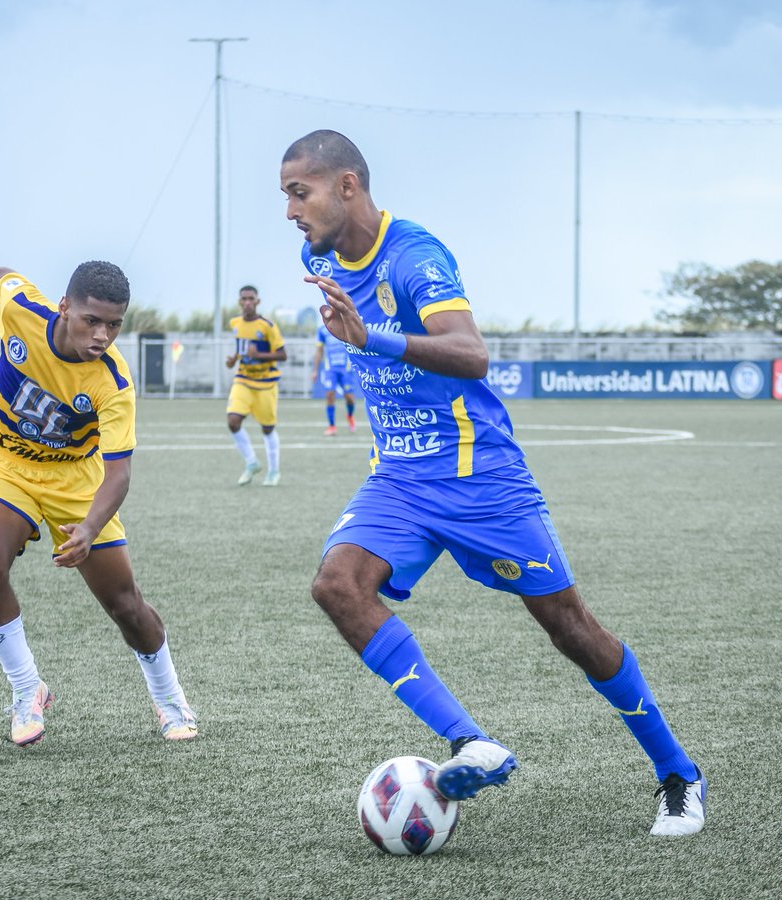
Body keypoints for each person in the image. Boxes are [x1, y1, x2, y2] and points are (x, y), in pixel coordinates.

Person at [281, 130, 706, 837]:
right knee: (337, 584)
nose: (292, 212)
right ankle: (467, 743)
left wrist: (374, 338)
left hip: (482, 477)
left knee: (572, 630)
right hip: (401, 479)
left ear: (348, 185)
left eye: (301, 193)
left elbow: (472, 355)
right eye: (287, 197)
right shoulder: (316, 256)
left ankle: (679, 775)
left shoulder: (415, 255)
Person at [0, 262, 196, 746]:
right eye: (91, 321)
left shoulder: (113, 382)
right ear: (65, 307)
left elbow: (119, 473)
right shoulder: (22, 313)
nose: (102, 335)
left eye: (114, 324)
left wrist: (87, 528)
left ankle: (169, 698)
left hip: (77, 483)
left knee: (125, 605)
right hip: (5, 463)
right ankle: (26, 690)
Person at [226, 284, 287, 486]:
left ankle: (274, 471)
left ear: (258, 301)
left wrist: (259, 355)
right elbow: (241, 348)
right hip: (243, 380)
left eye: (251, 299)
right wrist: (233, 360)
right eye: (244, 299)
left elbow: (282, 354)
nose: (247, 303)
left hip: (266, 384)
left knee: (268, 429)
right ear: (239, 302)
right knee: (233, 421)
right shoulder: (234, 323)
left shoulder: (267, 326)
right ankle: (251, 462)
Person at [312, 321, 357, 436]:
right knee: (329, 395)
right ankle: (332, 426)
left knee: (350, 398)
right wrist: (315, 370)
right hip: (330, 369)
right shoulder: (322, 329)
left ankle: (350, 415)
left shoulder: (345, 324)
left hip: (345, 369)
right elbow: (319, 351)